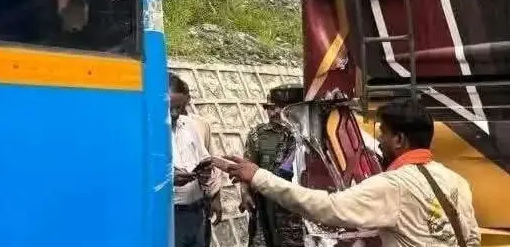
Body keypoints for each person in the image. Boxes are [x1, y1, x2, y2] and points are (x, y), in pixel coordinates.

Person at [217, 98, 480, 247]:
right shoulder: (456, 181)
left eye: (383, 134)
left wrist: (259, 176)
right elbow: (471, 239)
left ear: (399, 140)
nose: (379, 142)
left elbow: (327, 207)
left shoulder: (394, 185)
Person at [241, 85, 305, 247]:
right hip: (265, 208)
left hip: (295, 211)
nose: (274, 112)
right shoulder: (258, 134)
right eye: (270, 108)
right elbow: (247, 165)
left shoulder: (306, 136)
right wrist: (245, 193)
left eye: (279, 107)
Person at [169, 73, 226, 246]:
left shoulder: (189, 125)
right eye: (170, 108)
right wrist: (169, 179)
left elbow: (206, 159)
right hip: (170, 216)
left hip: (197, 212)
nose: (175, 113)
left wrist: (205, 172)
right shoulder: (147, 131)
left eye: (179, 107)